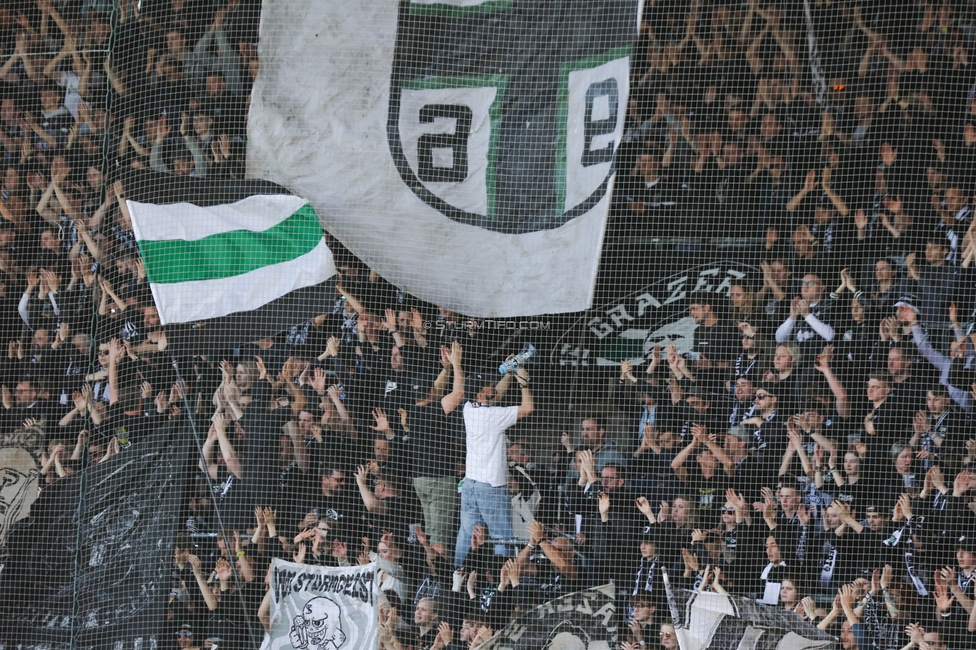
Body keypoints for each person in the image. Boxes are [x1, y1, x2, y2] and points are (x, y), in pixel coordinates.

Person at [454, 364, 533, 567]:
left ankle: (458, 576)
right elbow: (528, 408)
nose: (493, 387)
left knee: (466, 534)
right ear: (480, 393)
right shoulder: (493, 416)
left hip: (470, 485)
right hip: (491, 487)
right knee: (501, 535)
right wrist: (523, 383)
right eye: (488, 385)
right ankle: (503, 580)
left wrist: (508, 371)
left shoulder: (469, 408)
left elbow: (495, 397)